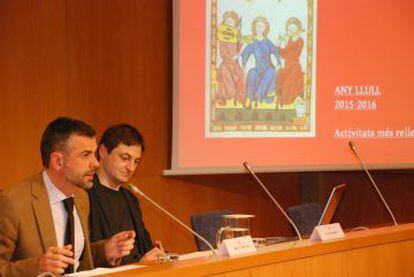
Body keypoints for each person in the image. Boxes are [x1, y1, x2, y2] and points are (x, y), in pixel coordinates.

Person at [0, 117, 136, 277]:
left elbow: (75, 261)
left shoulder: (81, 197)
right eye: (86, 155)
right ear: (58, 161)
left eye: (94, 154)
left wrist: (103, 251)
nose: (96, 163)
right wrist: (37, 266)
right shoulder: (12, 202)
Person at [87, 123, 165, 265]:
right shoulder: (85, 196)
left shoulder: (130, 199)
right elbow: (86, 256)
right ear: (103, 151)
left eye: (136, 161)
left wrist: (157, 254)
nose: (131, 168)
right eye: (125, 158)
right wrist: (140, 265)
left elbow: (144, 247)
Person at [242, 16, 281, 108]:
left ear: (265, 29)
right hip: (258, 71)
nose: (259, 28)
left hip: (268, 71)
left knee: (271, 71)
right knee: (251, 72)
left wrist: (278, 63)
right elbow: (245, 53)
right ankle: (250, 99)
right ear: (254, 27)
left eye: (262, 26)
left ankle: (258, 98)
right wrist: (242, 65)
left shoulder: (267, 42)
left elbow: (275, 51)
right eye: (258, 26)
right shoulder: (252, 42)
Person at [216, 11, 246, 107]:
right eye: (227, 21)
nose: (229, 23)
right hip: (226, 65)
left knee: (242, 79)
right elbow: (222, 53)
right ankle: (225, 97)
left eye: (232, 22)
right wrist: (231, 57)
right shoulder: (223, 38)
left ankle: (241, 100)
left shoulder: (235, 36)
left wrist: (239, 37)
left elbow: (238, 49)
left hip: (235, 65)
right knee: (226, 78)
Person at [276, 17, 305, 107]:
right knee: (279, 75)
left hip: (295, 67)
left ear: (297, 29)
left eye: (293, 28)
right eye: (289, 28)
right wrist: (278, 46)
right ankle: (280, 98)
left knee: (287, 85)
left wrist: (284, 48)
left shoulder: (300, 40)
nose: (291, 30)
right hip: (287, 66)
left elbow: (294, 55)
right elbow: (284, 55)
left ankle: (285, 100)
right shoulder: (289, 39)